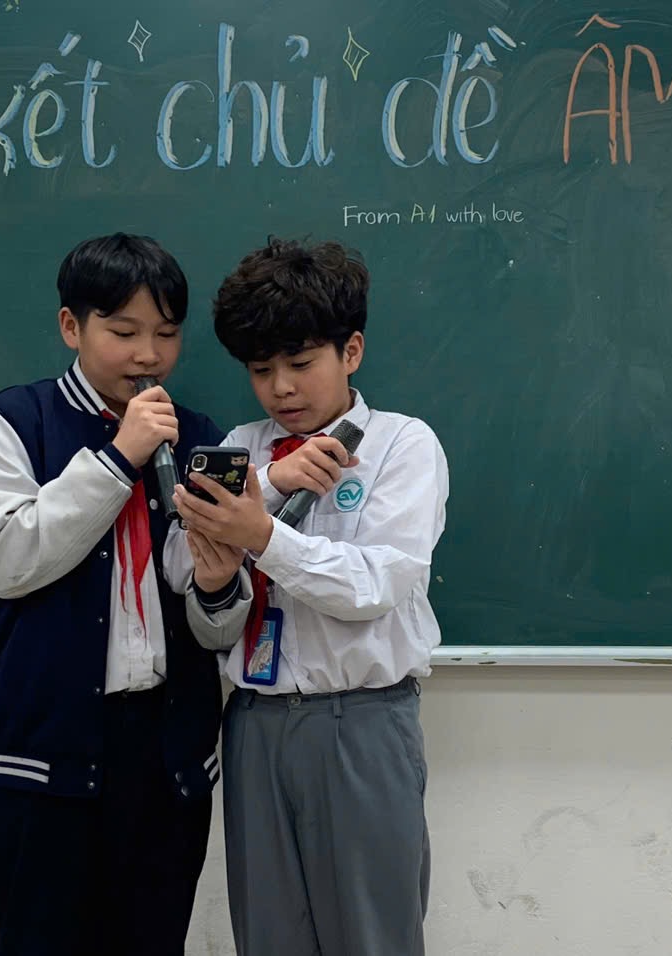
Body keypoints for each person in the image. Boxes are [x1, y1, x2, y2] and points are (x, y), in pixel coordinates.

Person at [0, 233, 246, 955]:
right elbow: (6, 560)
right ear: (71, 327)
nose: (148, 355)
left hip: (166, 766)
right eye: (123, 332)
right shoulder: (10, 424)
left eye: (167, 334)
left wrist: (217, 588)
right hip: (40, 767)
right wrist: (121, 457)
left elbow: (213, 629)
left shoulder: (202, 439)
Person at [173, 237, 450, 956]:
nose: (282, 389)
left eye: (300, 364)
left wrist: (260, 532)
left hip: (360, 723)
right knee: (268, 935)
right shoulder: (240, 448)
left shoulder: (402, 446)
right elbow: (195, 589)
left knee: (372, 934)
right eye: (262, 371)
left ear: (350, 350)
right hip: (254, 723)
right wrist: (237, 537)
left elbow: (375, 585)